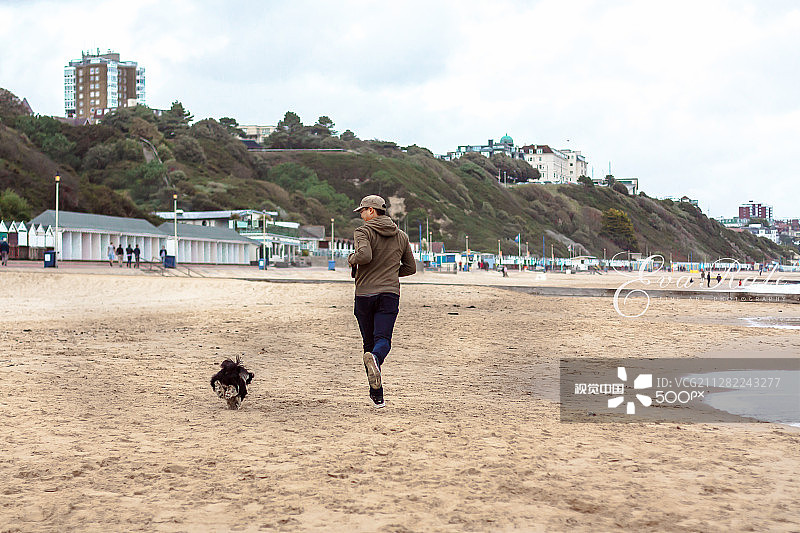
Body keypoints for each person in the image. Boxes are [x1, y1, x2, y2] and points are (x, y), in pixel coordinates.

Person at [348, 195, 416, 408]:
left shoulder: (363, 231)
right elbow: (410, 267)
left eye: (362, 210)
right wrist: (390, 274)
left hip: (365, 294)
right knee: (382, 341)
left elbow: (364, 256)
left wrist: (351, 258)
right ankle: (377, 383)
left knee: (368, 344)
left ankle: (377, 393)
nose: (360, 214)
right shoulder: (401, 235)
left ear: (371, 210)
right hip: (389, 293)